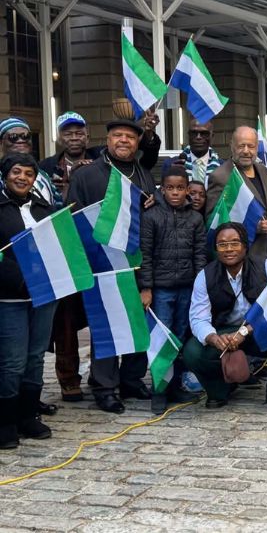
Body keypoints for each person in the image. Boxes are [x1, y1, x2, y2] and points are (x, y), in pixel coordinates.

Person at [66, 118, 158, 414]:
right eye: (117, 135)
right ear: (107, 140)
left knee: (136, 320)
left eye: (130, 138)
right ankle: (104, 387)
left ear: (136, 143)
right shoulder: (86, 175)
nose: (123, 141)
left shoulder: (143, 175)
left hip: (135, 261)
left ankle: (131, 379)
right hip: (100, 262)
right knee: (105, 327)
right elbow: (73, 221)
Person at [182, 223, 267, 410]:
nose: (228, 249)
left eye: (234, 243)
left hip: (257, 330)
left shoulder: (266, 266)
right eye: (222, 244)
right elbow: (198, 318)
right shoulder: (204, 276)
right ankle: (220, 389)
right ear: (216, 249)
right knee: (193, 351)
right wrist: (213, 338)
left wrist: (245, 332)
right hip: (224, 331)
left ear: (245, 246)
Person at [137, 166, 206, 413]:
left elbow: (199, 254)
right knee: (161, 339)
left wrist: (200, 287)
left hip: (187, 288)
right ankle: (159, 389)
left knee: (179, 337)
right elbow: (144, 255)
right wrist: (146, 287)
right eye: (170, 188)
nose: (175, 193)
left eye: (180, 188)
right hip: (161, 290)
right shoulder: (152, 216)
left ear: (188, 190)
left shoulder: (195, 218)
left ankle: (175, 385)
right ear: (162, 189)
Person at [0, 153, 57, 449]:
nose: (22, 177)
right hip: (9, 296)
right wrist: (19, 277)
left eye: (29, 174)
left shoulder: (45, 209)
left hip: (45, 294)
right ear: (6, 175)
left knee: (35, 357)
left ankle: (28, 415)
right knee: (12, 361)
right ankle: (6, 421)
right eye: (16, 172)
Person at [207, 126, 267, 259]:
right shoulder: (220, 176)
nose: (246, 151)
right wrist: (253, 226)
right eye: (241, 146)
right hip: (241, 258)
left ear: (257, 147)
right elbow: (214, 222)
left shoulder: (263, 171)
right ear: (232, 146)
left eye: (251, 146)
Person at [39, 112, 101, 200]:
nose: (74, 138)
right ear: (59, 140)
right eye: (68, 134)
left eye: (79, 134)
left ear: (87, 138)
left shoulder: (100, 159)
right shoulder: (45, 167)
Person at [0, 117, 61, 207]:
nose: (20, 140)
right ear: (1, 142)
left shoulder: (43, 176)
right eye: (13, 137)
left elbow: (58, 208)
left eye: (26, 136)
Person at [164, 119, 222, 184]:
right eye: (194, 133)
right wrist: (172, 173)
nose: (198, 137)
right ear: (188, 136)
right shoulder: (171, 164)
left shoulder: (222, 167)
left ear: (212, 137)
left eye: (204, 134)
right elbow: (161, 191)